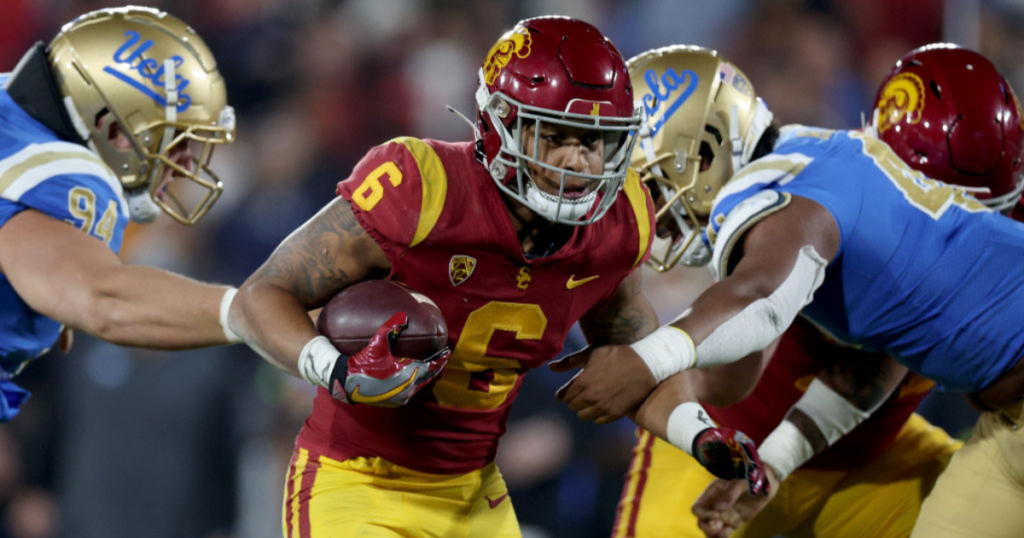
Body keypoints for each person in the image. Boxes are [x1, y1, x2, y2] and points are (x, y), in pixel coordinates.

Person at [228, 16, 762, 538]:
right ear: (500, 124)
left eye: (594, 140)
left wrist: (702, 435)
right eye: (556, 137)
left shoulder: (619, 223)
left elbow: (637, 362)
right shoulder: (423, 188)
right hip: (356, 479)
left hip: (472, 494)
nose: (579, 159)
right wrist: (334, 368)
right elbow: (263, 294)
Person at [552, 42, 1024, 538]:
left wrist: (646, 359)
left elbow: (759, 299)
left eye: (651, 187)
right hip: (986, 424)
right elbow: (858, 365)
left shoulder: (792, 190)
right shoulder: (808, 167)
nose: (648, 211)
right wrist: (773, 465)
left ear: (706, 150)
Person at [0, 6, 244, 421]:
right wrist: (249, 312)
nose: (185, 162)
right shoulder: (65, 173)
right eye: (176, 139)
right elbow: (104, 299)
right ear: (114, 129)